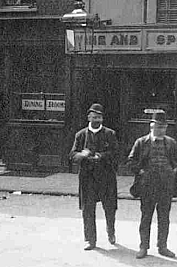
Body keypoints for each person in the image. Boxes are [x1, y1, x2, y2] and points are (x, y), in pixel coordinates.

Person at [127, 110, 177, 259]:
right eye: (158, 127)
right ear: (151, 126)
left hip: (166, 185)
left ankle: (162, 247)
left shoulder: (171, 142)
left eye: (164, 127)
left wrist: (174, 169)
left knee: (164, 218)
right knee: (146, 217)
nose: (161, 130)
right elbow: (131, 161)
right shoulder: (141, 142)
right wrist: (141, 172)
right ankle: (143, 247)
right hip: (148, 186)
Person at [69, 103, 119, 250]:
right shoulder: (81, 135)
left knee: (110, 207)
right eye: (94, 117)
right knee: (88, 209)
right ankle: (90, 239)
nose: (96, 119)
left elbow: (116, 153)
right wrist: (82, 155)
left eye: (99, 117)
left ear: (102, 119)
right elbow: (72, 155)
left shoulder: (110, 134)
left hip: (106, 176)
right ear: (88, 117)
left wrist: (101, 156)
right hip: (87, 178)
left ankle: (111, 231)